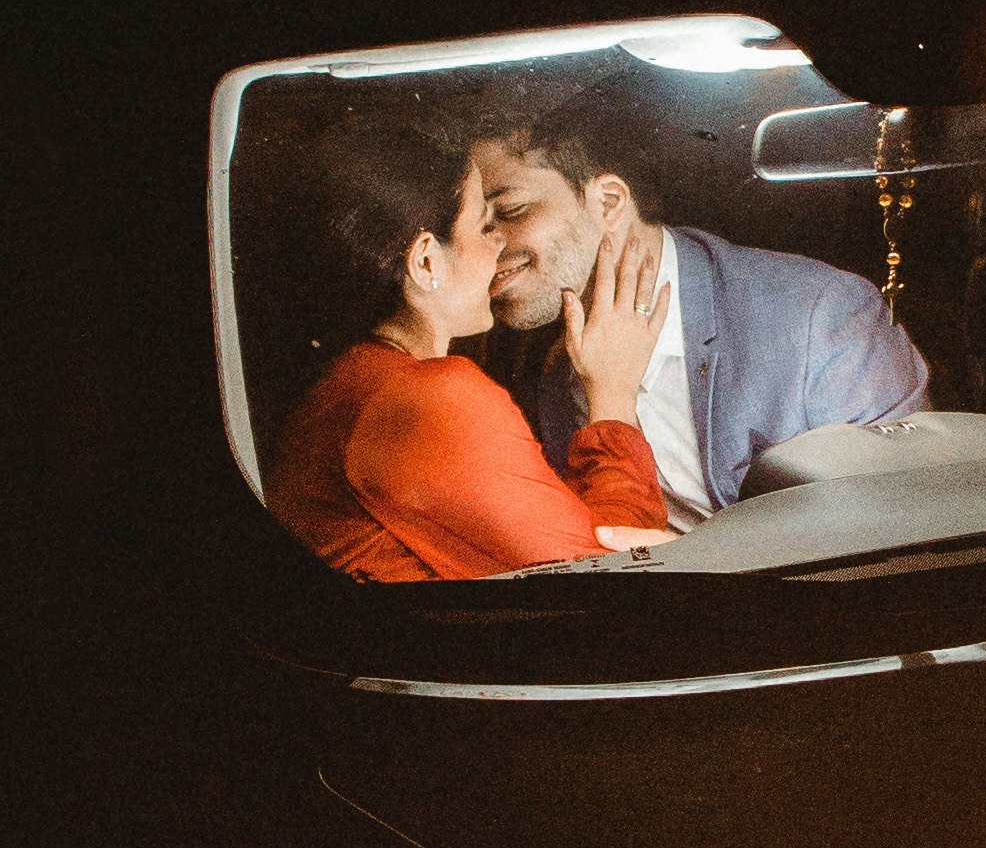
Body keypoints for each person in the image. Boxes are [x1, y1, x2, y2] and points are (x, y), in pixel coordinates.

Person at [267, 109, 670, 579]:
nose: (499, 247)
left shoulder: (356, 377)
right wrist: (613, 396)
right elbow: (613, 578)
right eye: (484, 227)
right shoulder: (427, 398)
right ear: (426, 263)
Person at [471, 109, 928, 521]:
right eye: (474, 224)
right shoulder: (551, 373)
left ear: (609, 203)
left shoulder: (819, 313)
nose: (484, 247)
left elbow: (901, 522)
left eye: (510, 211)